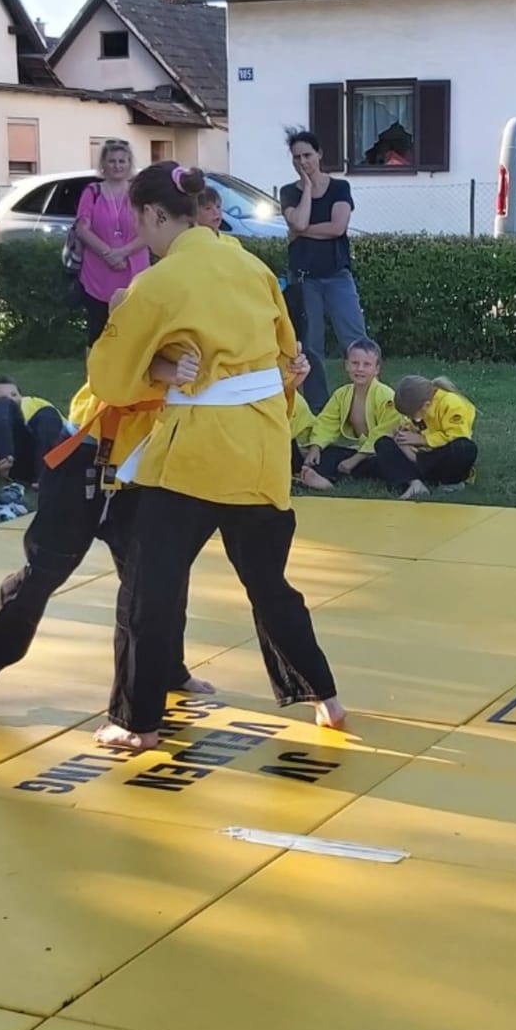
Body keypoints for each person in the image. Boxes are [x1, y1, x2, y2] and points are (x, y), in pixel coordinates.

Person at [86, 161, 344, 751]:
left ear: (155, 214)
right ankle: (325, 696)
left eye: (141, 224)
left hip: (195, 455)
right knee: (268, 582)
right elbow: (287, 357)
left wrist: (149, 362)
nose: (141, 238)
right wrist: (167, 367)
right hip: (260, 446)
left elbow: (110, 377)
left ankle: (137, 722)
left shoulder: (158, 282)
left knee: (150, 584)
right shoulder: (251, 266)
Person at [0, 381, 213, 712]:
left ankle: (167, 669)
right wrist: (166, 370)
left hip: (145, 459)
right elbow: (111, 370)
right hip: (87, 453)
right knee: (45, 569)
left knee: (157, 576)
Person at [281, 130, 365, 409]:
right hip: (304, 280)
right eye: (297, 157)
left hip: (337, 276)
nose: (303, 161)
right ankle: (318, 409)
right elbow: (299, 221)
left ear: (319, 154)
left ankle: (367, 402)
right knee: (310, 346)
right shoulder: (289, 192)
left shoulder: (339, 188)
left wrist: (301, 232)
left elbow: (337, 227)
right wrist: (307, 188)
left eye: (307, 155)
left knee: (355, 340)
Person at [298, 339, 399, 491]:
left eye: (366, 364)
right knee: (328, 454)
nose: (360, 369)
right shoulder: (342, 394)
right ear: (346, 365)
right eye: (355, 363)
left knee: (384, 461)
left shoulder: (386, 396)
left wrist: (355, 460)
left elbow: (385, 432)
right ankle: (322, 477)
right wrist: (316, 447)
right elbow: (327, 422)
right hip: (359, 450)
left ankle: (332, 475)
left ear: (377, 369)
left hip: (380, 452)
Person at [74, 140, 148, 344]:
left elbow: (149, 230)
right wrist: (108, 254)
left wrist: (122, 252)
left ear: (129, 163)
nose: (117, 166)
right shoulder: (92, 192)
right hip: (98, 273)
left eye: (122, 161)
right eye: (112, 161)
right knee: (98, 333)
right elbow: (82, 228)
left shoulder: (139, 194)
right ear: (103, 164)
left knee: (134, 332)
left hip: (134, 271)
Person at [374, 375, 479, 500]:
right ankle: (414, 483)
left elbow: (457, 436)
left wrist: (423, 439)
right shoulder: (417, 408)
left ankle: (450, 482)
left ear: (426, 405)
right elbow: (410, 424)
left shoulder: (452, 403)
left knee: (465, 447)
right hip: (422, 458)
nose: (409, 418)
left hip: (442, 463)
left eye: (411, 415)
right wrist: (402, 435)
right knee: (383, 443)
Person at [0, 377, 64, 483]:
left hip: (48, 458)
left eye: (14, 395)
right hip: (17, 463)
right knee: (3, 407)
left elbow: (65, 429)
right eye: (3, 397)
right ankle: (4, 461)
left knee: (47, 413)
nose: (11, 400)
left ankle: (44, 478)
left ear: (21, 396)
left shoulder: (37, 404)